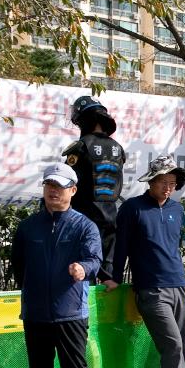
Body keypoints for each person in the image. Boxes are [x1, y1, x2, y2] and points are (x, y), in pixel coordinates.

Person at [107, 155, 185, 368]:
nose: (168, 187)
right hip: (150, 288)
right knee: (171, 344)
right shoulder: (133, 208)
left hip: (179, 285)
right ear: (151, 181)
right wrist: (114, 276)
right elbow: (121, 246)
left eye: (172, 182)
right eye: (163, 181)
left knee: (181, 347)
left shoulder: (177, 209)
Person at [14, 167, 103, 368]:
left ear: (73, 190)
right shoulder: (28, 227)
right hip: (36, 313)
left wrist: (82, 269)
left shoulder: (84, 226)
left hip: (71, 312)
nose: (54, 190)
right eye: (49, 185)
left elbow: (94, 259)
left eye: (60, 186)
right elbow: (18, 266)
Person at [63, 96, 125, 282]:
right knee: (109, 275)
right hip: (111, 217)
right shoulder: (118, 148)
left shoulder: (80, 147)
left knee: (83, 270)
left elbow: (69, 182)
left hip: (84, 217)